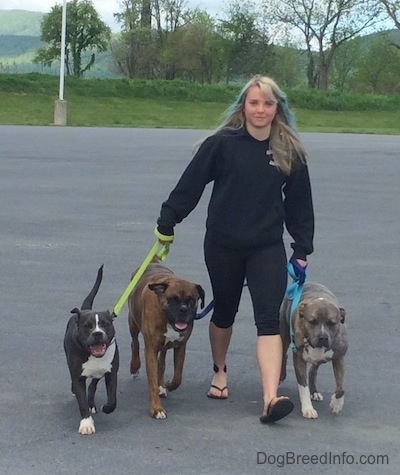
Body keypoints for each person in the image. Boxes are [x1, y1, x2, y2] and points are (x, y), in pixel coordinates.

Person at [154, 74, 314, 423]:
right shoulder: (222, 144)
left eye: (268, 104)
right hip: (223, 244)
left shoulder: (289, 150)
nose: (260, 109)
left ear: (277, 108)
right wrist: (168, 222)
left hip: (266, 247)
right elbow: (190, 185)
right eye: (254, 102)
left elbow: (301, 204)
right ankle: (220, 373)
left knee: (269, 320)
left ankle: (271, 398)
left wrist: (301, 248)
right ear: (244, 105)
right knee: (224, 311)